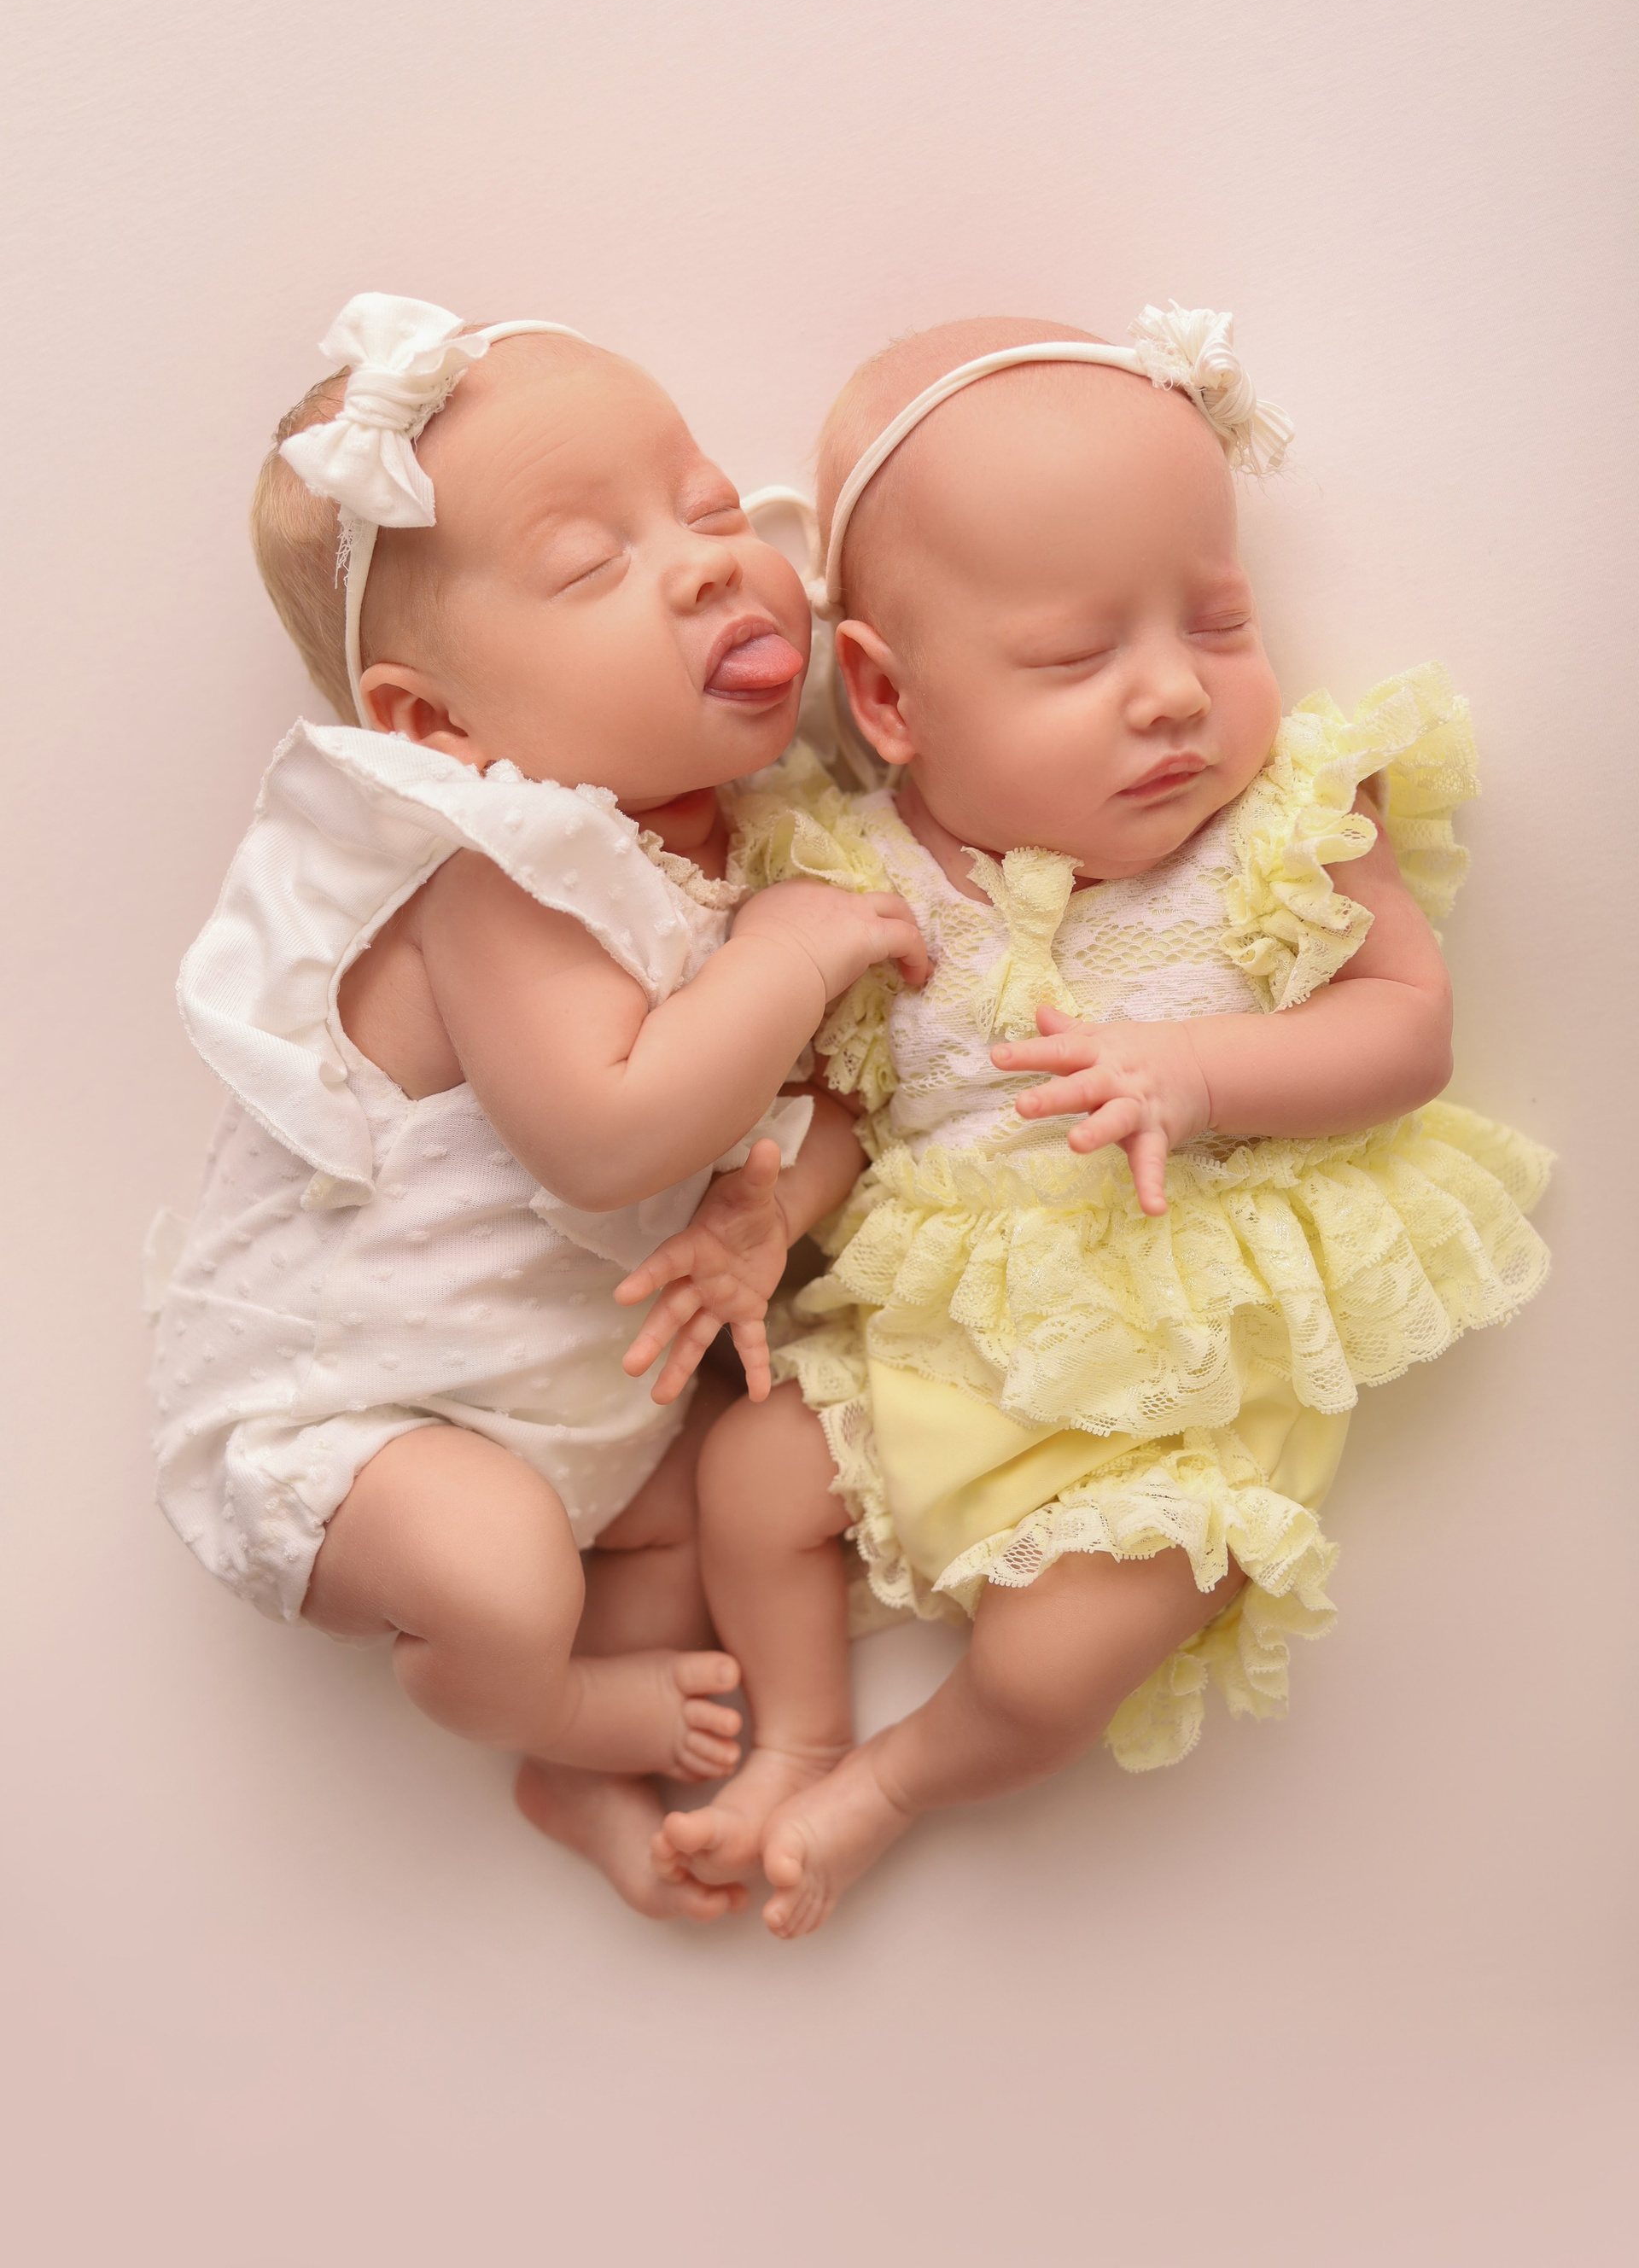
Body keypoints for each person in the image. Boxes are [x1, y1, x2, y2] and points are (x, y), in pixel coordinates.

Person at [622, 305, 1550, 1933]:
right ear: (888, 698)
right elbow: (851, 1102)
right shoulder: (857, 880)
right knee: (753, 1472)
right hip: (935, 1342)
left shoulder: (1281, 833)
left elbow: (1409, 1031)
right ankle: (798, 1736)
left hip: (1172, 1387)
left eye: (1218, 621)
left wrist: (1201, 1075)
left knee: (1060, 1664)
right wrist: (771, 1206)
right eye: (1075, 655)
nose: (1175, 694)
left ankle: (894, 1781)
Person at [149, 294, 924, 1920]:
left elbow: (785, 1114)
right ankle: (545, 1705)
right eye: (591, 565)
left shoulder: (737, 841)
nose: (707, 563)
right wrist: (786, 961)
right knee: (504, 1569)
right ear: (438, 727)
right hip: (360, 1427)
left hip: (578, 1414)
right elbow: (606, 1131)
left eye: (704, 505)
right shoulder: (495, 874)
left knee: (717, 1510)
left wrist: (782, 1183)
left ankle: (573, 1785)